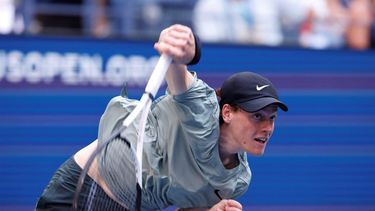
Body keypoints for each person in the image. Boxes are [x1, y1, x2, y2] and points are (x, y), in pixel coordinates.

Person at [35, 24, 288, 210]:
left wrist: (213, 210)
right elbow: (178, 65)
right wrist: (186, 46)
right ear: (227, 112)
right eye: (257, 116)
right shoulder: (200, 107)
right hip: (83, 190)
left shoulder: (237, 180)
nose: (267, 127)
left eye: (272, 118)